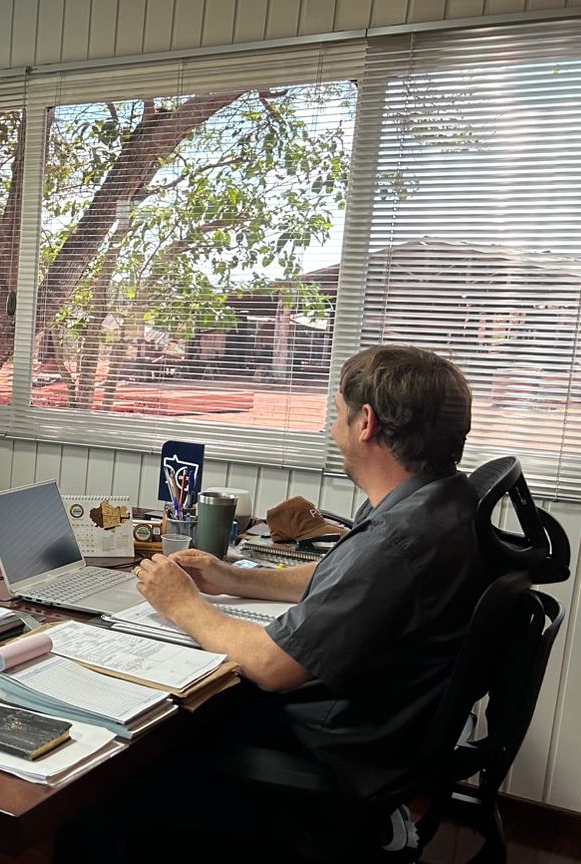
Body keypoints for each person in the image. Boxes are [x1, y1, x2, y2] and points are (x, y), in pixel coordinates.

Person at [133, 344, 490, 802]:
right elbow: (344, 574)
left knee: (149, 737)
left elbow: (271, 666)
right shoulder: (443, 503)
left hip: (324, 753)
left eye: (337, 413)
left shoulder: (397, 542)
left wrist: (182, 603)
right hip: (379, 735)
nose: (332, 428)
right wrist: (234, 578)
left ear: (366, 423)